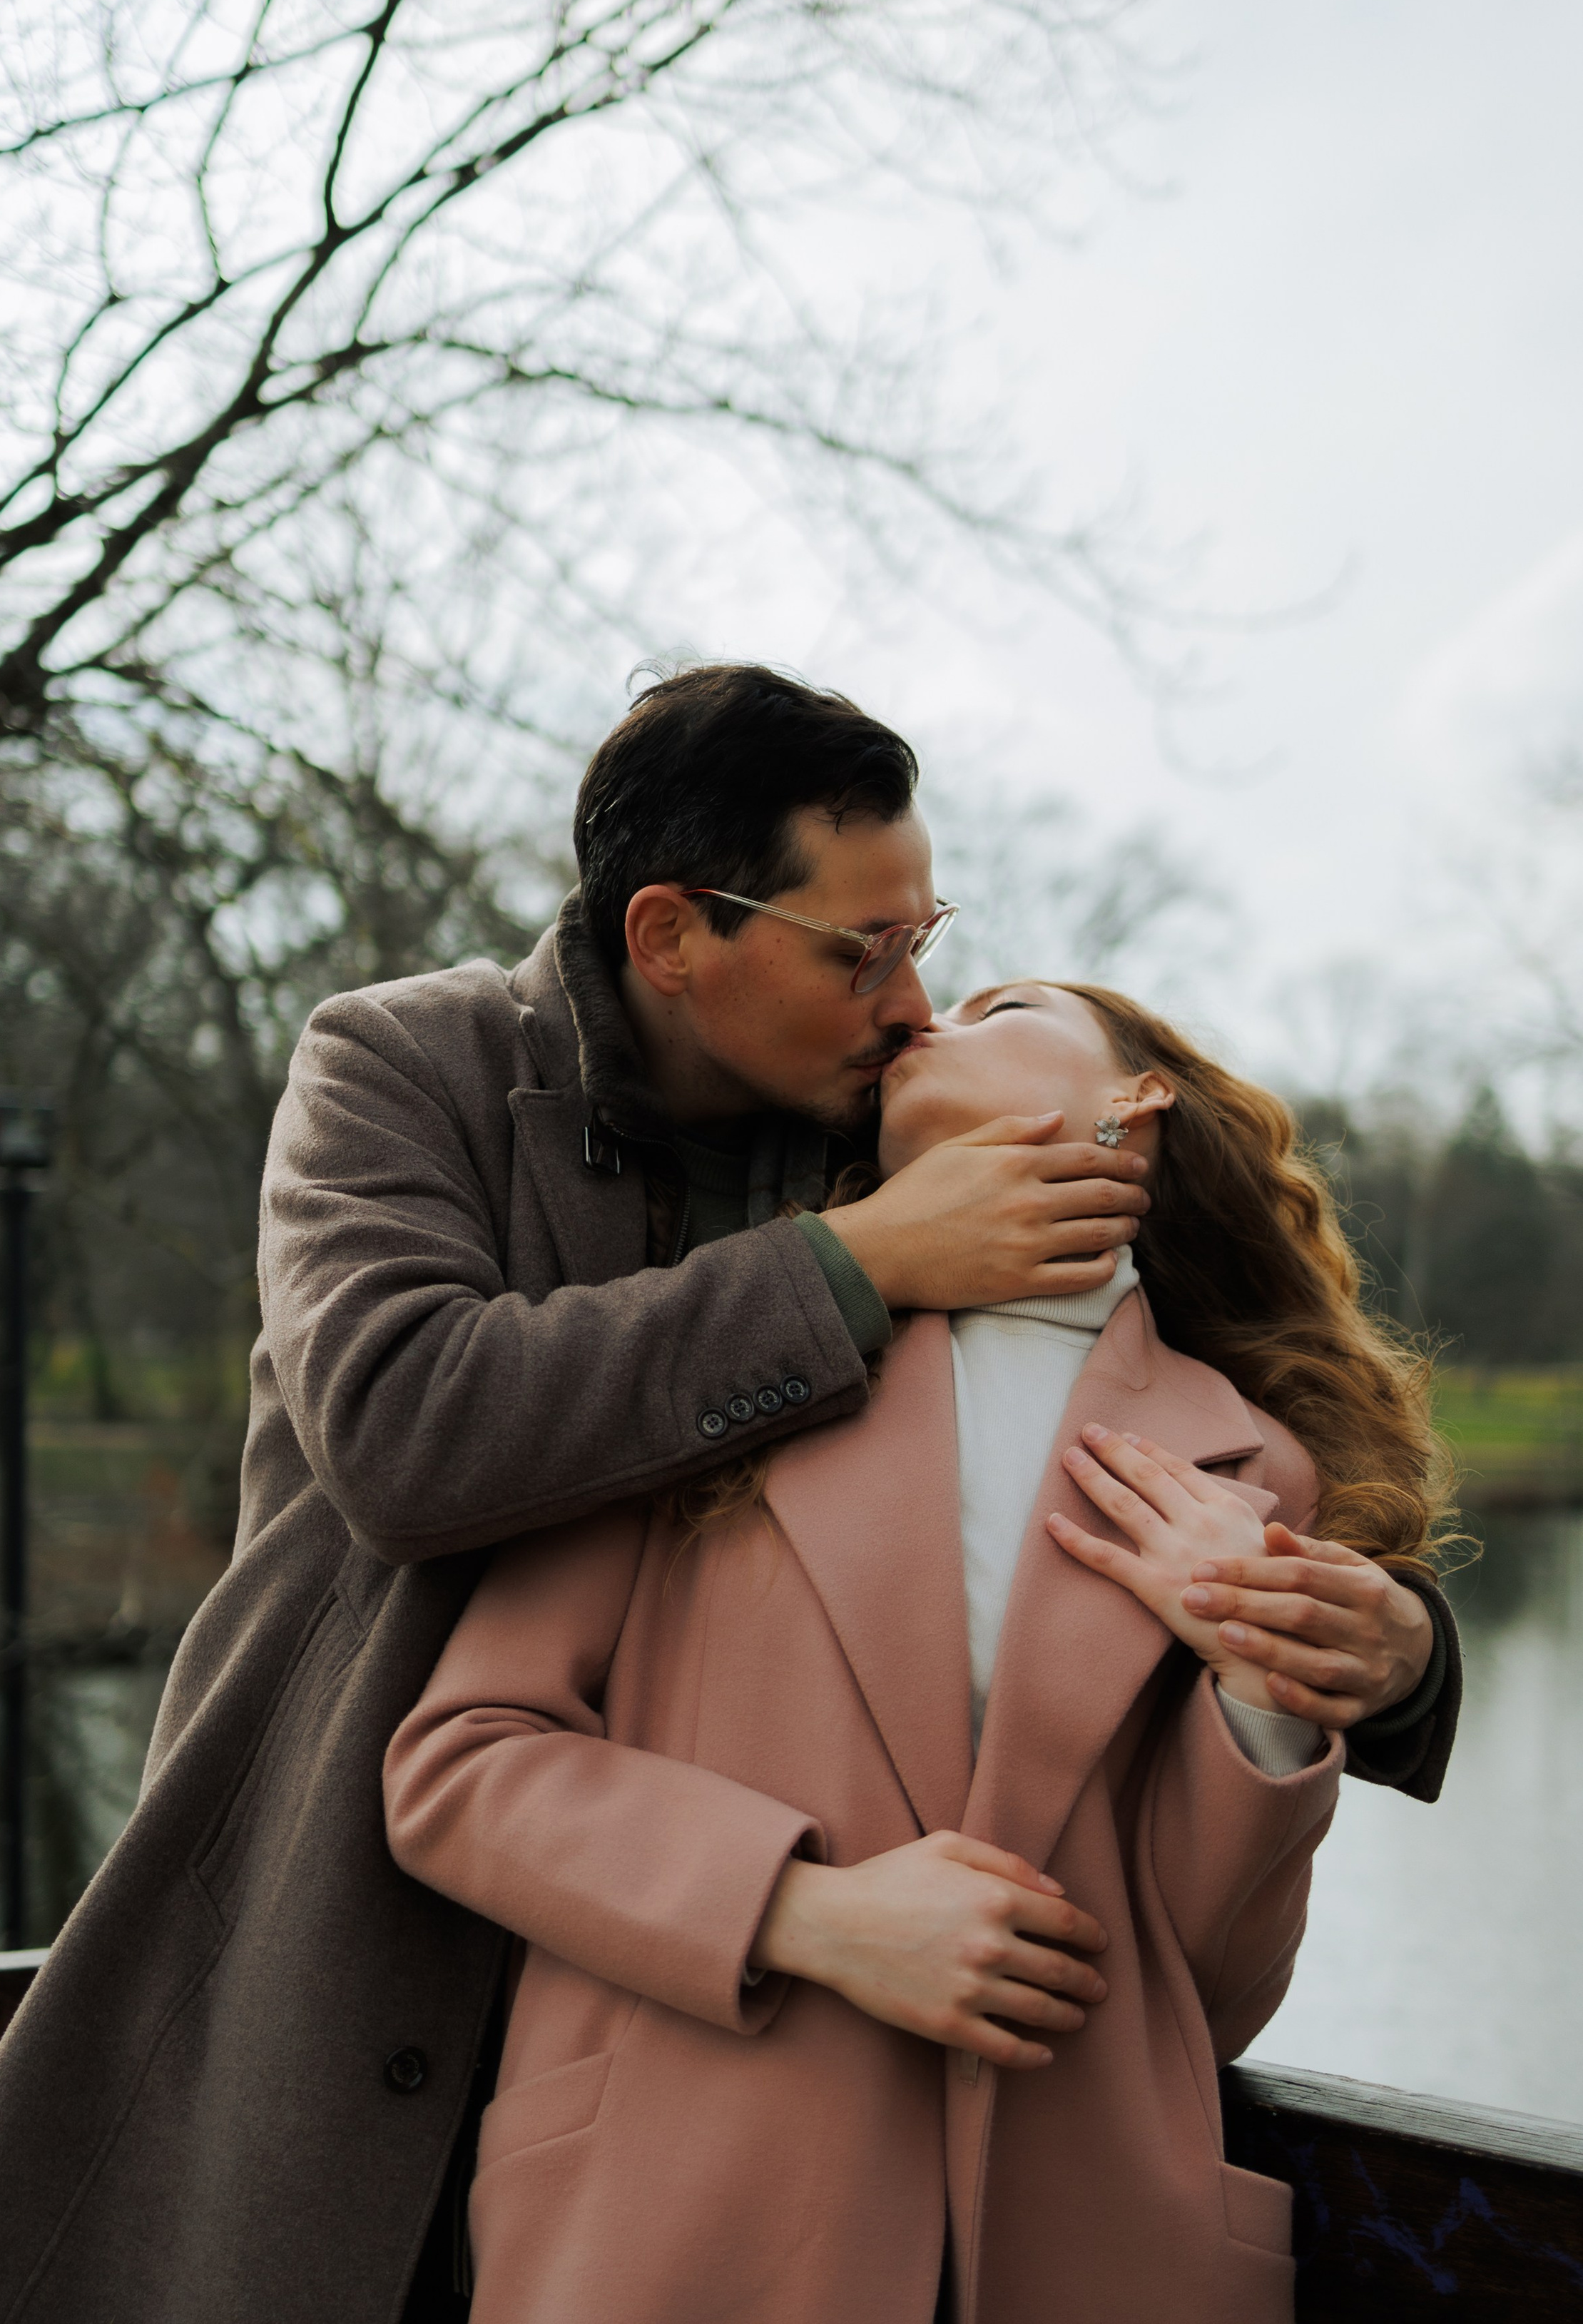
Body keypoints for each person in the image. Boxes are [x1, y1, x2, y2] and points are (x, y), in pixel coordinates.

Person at [0, 669, 1457, 2324]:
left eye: (922, 939)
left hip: (753, 2088)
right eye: (861, 952)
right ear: (670, 934)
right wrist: (852, 1263)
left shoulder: (861, 1127)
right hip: (357, 1934)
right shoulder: (403, 1064)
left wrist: (1392, 1652)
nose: (911, 1005)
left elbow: (1200, 1363)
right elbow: (404, 1433)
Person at [382, 980, 1457, 2322]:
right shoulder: (726, 1354)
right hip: (678, 2227)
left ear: (1137, 1098)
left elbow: (1208, 1997)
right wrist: (804, 1912)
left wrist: (1261, 1685)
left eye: (1000, 1004)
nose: (925, 1016)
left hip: (1088, 2257)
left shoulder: (1258, 1473)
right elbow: (460, 1765)